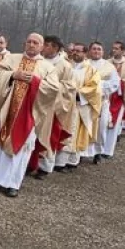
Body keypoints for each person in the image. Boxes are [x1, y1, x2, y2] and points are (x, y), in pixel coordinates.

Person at [0, 33, 59, 197]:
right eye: (29, 41)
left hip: (29, 113)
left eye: (36, 43)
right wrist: (12, 75)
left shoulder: (47, 67)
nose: (31, 45)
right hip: (7, 110)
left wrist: (36, 81)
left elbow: (53, 90)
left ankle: (13, 183)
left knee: (22, 148)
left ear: (42, 46)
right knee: (0, 143)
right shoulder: (11, 59)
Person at [54, 43, 102, 172]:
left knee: (74, 133)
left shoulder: (91, 70)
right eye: (74, 50)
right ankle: (56, 161)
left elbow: (94, 88)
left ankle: (70, 162)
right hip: (63, 104)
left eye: (78, 51)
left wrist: (77, 94)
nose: (75, 53)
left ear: (85, 53)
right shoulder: (65, 65)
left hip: (78, 106)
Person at [35, 35, 74, 178]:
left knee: (48, 135)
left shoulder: (64, 66)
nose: (42, 47)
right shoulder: (38, 61)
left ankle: (44, 167)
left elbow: (69, 88)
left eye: (46, 45)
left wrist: (51, 88)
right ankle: (31, 163)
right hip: (36, 103)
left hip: (52, 107)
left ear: (55, 48)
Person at [82, 42, 121, 163]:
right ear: (89, 51)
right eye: (94, 49)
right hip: (85, 101)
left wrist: (98, 86)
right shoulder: (84, 64)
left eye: (99, 49)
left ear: (103, 52)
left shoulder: (109, 67)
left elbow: (115, 83)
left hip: (101, 102)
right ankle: (82, 151)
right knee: (85, 126)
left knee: (101, 127)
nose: (96, 51)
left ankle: (98, 152)